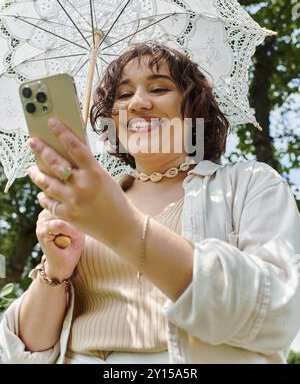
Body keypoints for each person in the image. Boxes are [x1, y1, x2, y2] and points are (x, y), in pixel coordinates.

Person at [0, 43, 299, 364]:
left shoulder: (250, 183)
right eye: (124, 96)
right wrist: (56, 268)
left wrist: (123, 227)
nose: (139, 103)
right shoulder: (86, 208)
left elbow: (277, 312)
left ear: (193, 106)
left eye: (159, 88)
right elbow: (26, 352)